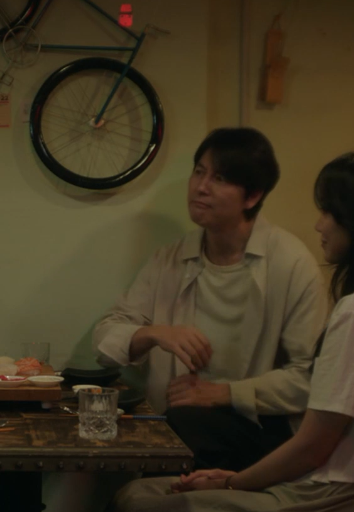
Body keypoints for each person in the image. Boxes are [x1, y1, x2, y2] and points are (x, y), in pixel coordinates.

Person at [90, 149, 354, 512]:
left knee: (130, 510)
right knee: (148, 489)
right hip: (346, 505)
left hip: (324, 510)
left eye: (330, 212)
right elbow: (109, 334)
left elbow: (312, 444)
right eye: (199, 173)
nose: (319, 224)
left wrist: (233, 483)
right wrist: (154, 334)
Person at [92, 127, 327, 472]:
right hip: (179, 428)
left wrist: (223, 394)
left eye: (219, 178)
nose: (201, 187)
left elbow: (310, 379)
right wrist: (155, 333)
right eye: (199, 172)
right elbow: (105, 341)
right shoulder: (172, 258)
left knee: (180, 427)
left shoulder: (291, 263)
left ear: (252, 196)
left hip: (259, 435)